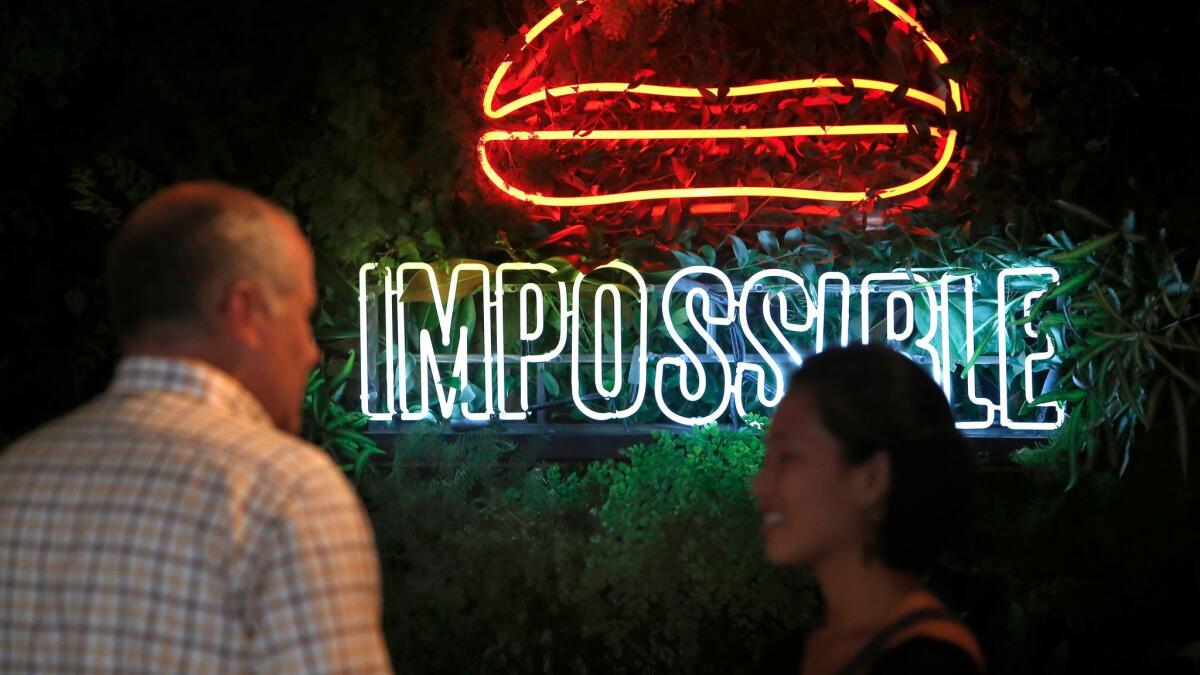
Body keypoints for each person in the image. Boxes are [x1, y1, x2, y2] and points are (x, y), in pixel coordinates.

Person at [0, 182, 393, 673]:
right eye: (303, 315)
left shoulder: (14, 478)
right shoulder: (286, 494)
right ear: (245, 312)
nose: (313, 351)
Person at [751, 343, 984, 674]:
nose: (759, 485)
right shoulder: (789, 655)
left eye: (787, 457)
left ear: (871, 478)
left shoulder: (929, 663)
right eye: (767, 459)